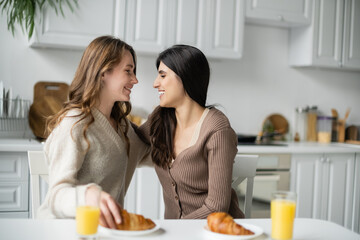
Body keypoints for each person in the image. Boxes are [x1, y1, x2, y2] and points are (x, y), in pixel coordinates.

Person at [37, 36, 150, 228]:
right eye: (128, 71)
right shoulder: (74, 124)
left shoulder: (123, 127)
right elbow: (55, 197)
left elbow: (155, 154)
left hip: (103, 232)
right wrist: (88, 195)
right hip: (64, 231)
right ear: (104, 71)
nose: (135, 79)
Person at [138, 45, 244, 219]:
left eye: (163, 75)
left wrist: (174, 232)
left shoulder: (217, 130)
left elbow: (216, 207)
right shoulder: (160, 120)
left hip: (216, 233)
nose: (155, 83)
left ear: (185, 76)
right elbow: (130, 137)